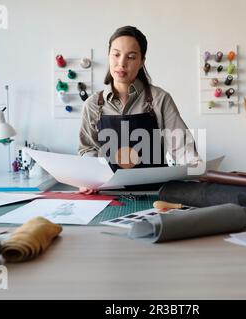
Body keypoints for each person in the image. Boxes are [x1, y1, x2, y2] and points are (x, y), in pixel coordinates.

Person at [78, 26, 200, 193]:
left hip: (153, 195)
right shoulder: (92, 104)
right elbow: (88, 149)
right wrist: (89, 178)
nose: (121, 63)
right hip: (106, 194)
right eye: (116, 54)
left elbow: (181, 147)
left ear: (142, 61)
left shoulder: (159, 99)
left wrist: (196, 170)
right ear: (108, 56)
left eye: (131, 57)